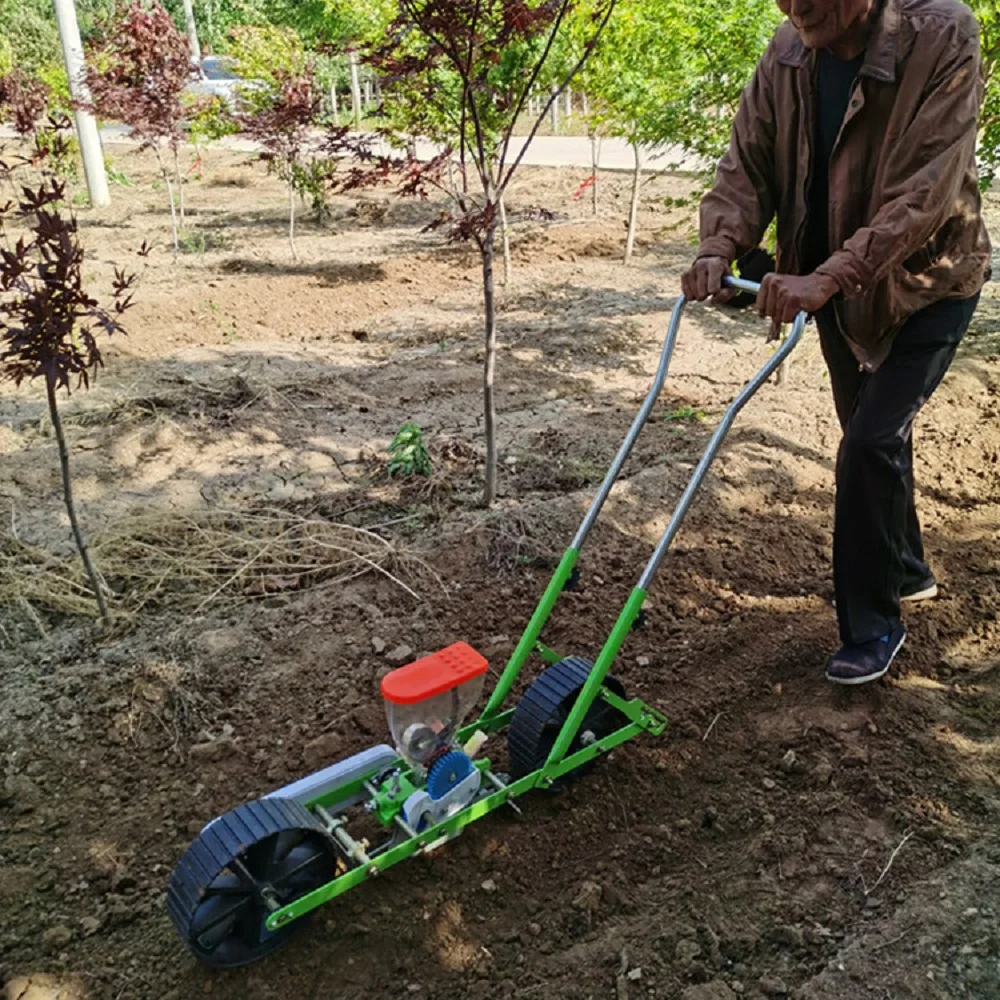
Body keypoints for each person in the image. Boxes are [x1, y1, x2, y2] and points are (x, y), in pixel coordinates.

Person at [682, 0, 991, 685]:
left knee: (870, 441)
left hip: (928, 280)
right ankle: (907, 568)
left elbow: (926, 190)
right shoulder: (788, 49)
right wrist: (720, 244)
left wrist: (831, 274)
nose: (797, 7)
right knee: (869, 430)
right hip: (828, 286)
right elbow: (747, 162)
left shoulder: (942, 35)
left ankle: (873, 625)